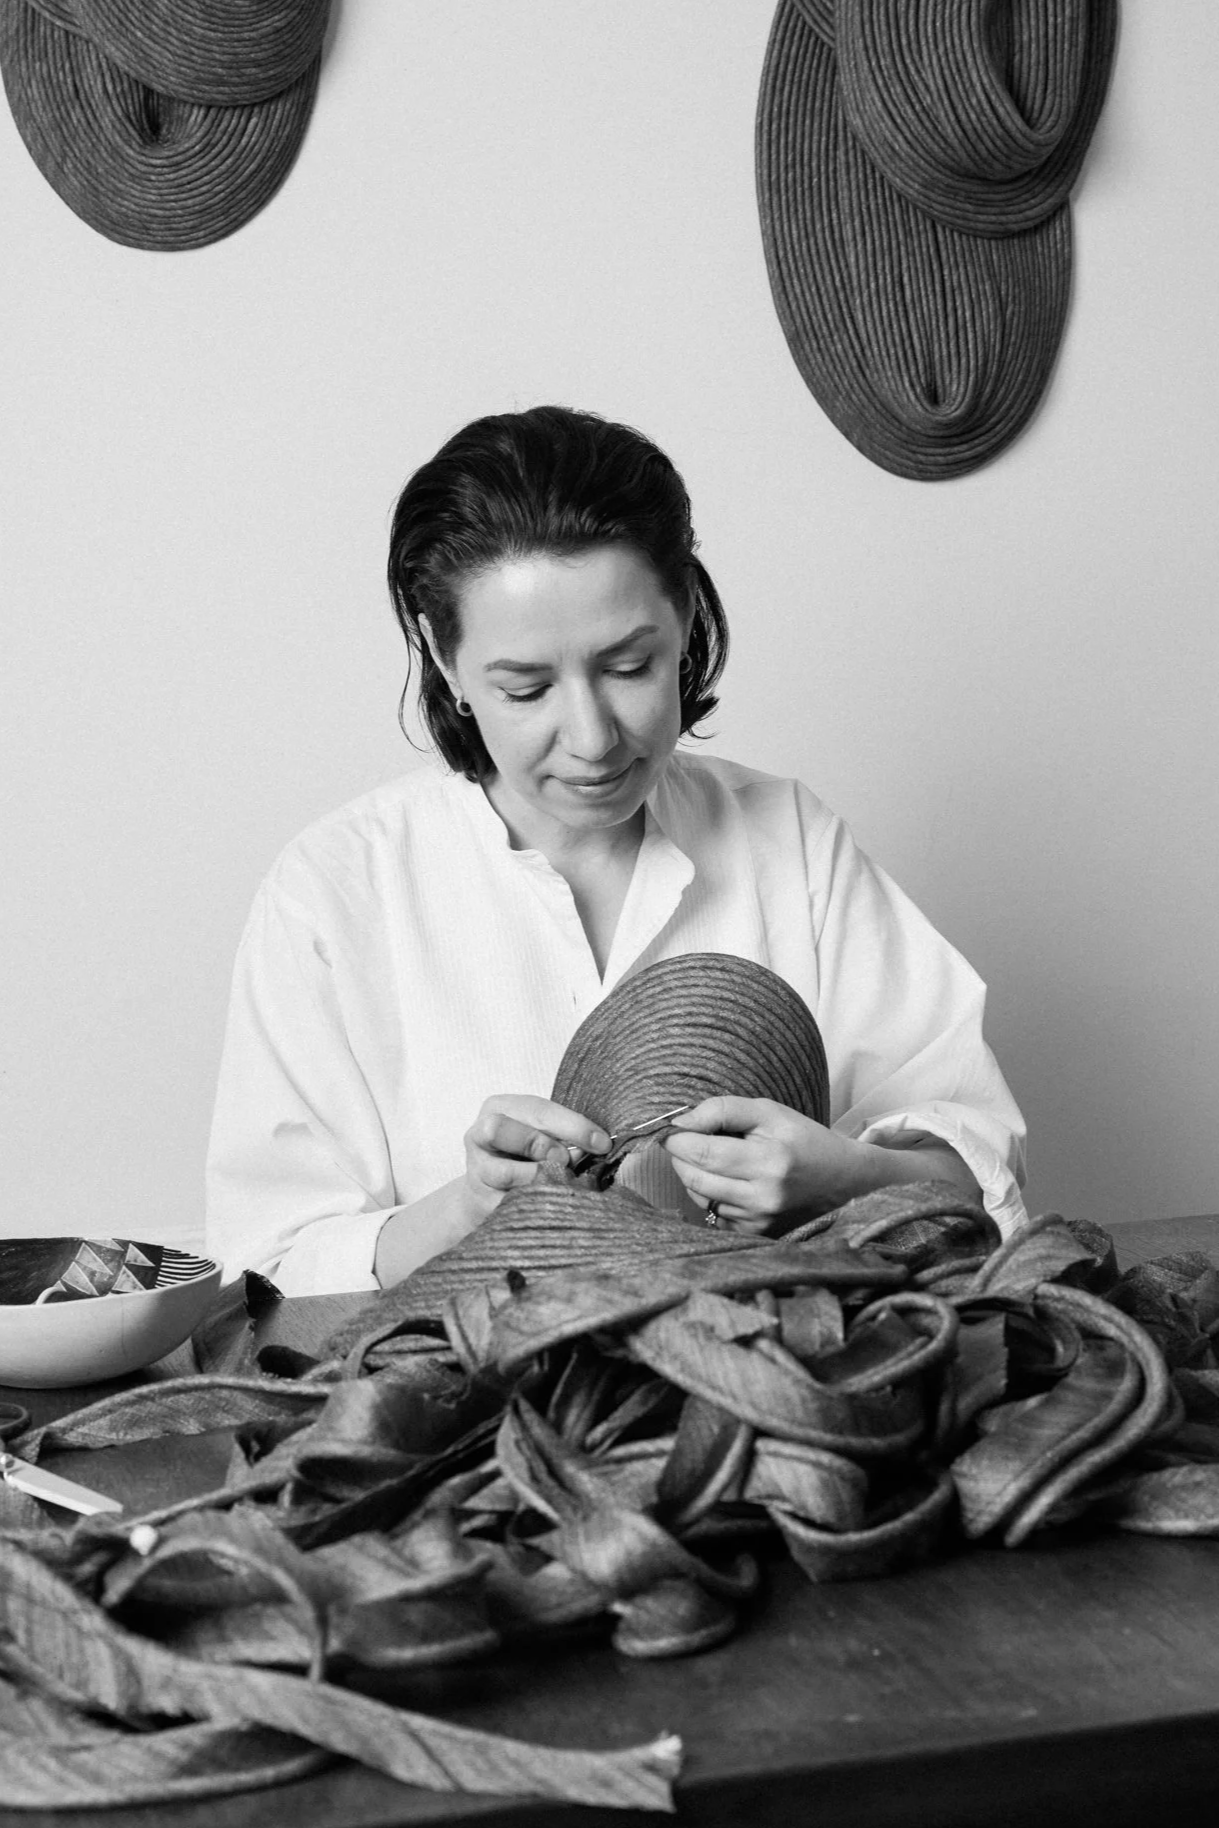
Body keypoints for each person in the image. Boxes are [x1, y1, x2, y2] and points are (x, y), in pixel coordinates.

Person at [206, 405, 1027, 1296]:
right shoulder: (334, 891)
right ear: (445, 666)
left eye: (630, 667)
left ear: (683, 623)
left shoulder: (788, 837)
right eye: (525, 688)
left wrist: (846, 1180)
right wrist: (466, 1216)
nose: (592, 738)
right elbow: (270, 1266)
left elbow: (980, 1187)